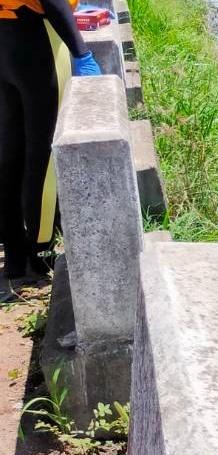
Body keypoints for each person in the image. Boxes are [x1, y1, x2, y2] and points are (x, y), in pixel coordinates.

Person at [1, 0, 100, 302]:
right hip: (37, 41)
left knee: (7, 155)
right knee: (42, 158)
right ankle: (40, 255)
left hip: (4, 41)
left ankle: (15, 258)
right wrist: (82, 53)